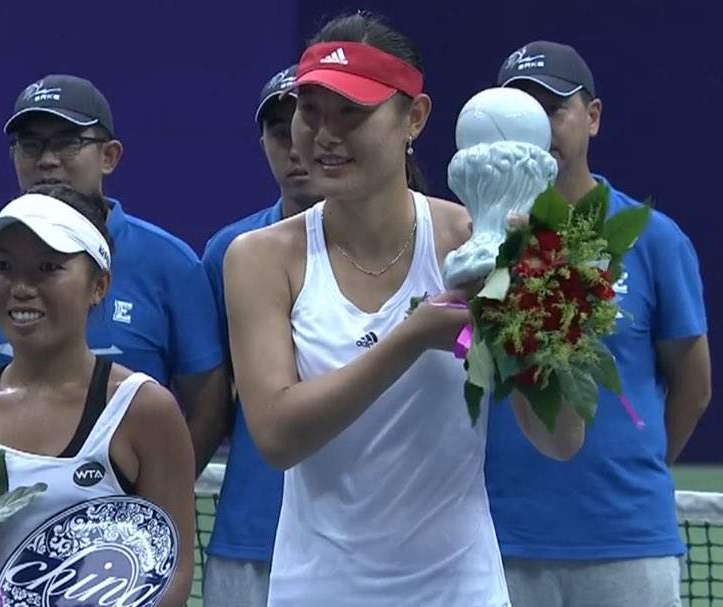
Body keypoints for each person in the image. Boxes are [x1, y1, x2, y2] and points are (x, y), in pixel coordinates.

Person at [224, 13, 587, 606]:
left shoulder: (473, 240)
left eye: (352, 112)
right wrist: (413, 336)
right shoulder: (259, 258)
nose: (324, 134)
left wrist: (534, 307)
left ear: (413, 118)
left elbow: (561, 438)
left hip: (461, 592)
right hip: (316, 592)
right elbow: (277, 437)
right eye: (310, 111)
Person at [486, 40, 712, 607]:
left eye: (553, 110)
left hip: (628, 545)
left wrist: (630, 474)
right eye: (523, 113)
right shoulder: (478, 240)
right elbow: (466, 358)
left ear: (592, 117)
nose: (538, 127)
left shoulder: (655, 239)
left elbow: (694, 385)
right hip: (499, 541)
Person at [0, 74, 228, 474]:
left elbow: (209, 407)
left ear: (109, 156)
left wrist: (146, 489)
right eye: (30, 144)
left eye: (67, 142)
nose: (46, 159)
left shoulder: (171, 264)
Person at [0, 186, 196, 606]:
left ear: (99, 286)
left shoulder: (143, 411)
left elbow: (173, 574)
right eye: (4, 266)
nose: (21, 287)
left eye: (48, 267)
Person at [200, 64, 320, 607]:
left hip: (372, 541)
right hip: (253, 538)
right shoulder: (228, 253)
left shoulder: (419, 241)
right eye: (279, 131)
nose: (296, 146)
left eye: (307, 124)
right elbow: (211, 400)